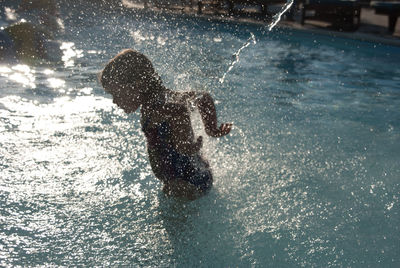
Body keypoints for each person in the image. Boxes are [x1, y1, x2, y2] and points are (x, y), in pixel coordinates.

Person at [100, 49, 232, 199]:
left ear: (137, 85)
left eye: (116, 94)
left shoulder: (154, 108)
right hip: (192, 173)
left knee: (174, 221)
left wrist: (184, 143)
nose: (114, 101)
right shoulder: (166, 97)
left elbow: (180, 111)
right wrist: (211, 129)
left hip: (184, 181)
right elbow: (203, 97)